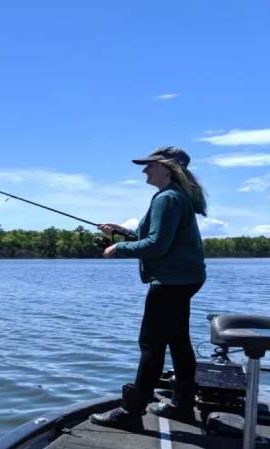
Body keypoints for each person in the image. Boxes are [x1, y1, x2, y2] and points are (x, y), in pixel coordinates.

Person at [90, 147, 208, 431]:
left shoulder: (167, 198)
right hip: (185, 278)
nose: (144, 171)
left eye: (149, 166)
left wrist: (119, 247)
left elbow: (157, 246)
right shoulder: (176, 196)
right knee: (178, 342)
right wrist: (124, 232)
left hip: (170, 283)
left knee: (151, 345)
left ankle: (131, 413)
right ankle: (182, 406)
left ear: (167, 168)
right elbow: (161, 238)